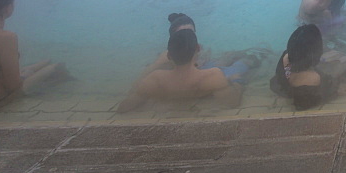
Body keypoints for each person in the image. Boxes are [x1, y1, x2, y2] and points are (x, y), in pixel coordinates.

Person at [0, 0, 67, 108]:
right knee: (56, 67)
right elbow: (14, 86)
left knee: (41, 64)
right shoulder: (6, 37)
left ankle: (43, 64)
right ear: (7, 8)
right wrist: (25, 76)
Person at [118, 28, 246, 113]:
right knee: (241, 64)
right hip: (205, 86)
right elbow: (232, 103)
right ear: (198, 49)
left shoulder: (155, 79)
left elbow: (124, 107)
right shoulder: (212, 76)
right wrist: (236, 83)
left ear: (168, 56)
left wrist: (155, 64)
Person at [270, 24, 334, 110]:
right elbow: (304, 103)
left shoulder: (285, 57)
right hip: (304, 89)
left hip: (286, 83)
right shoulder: (314, 79)